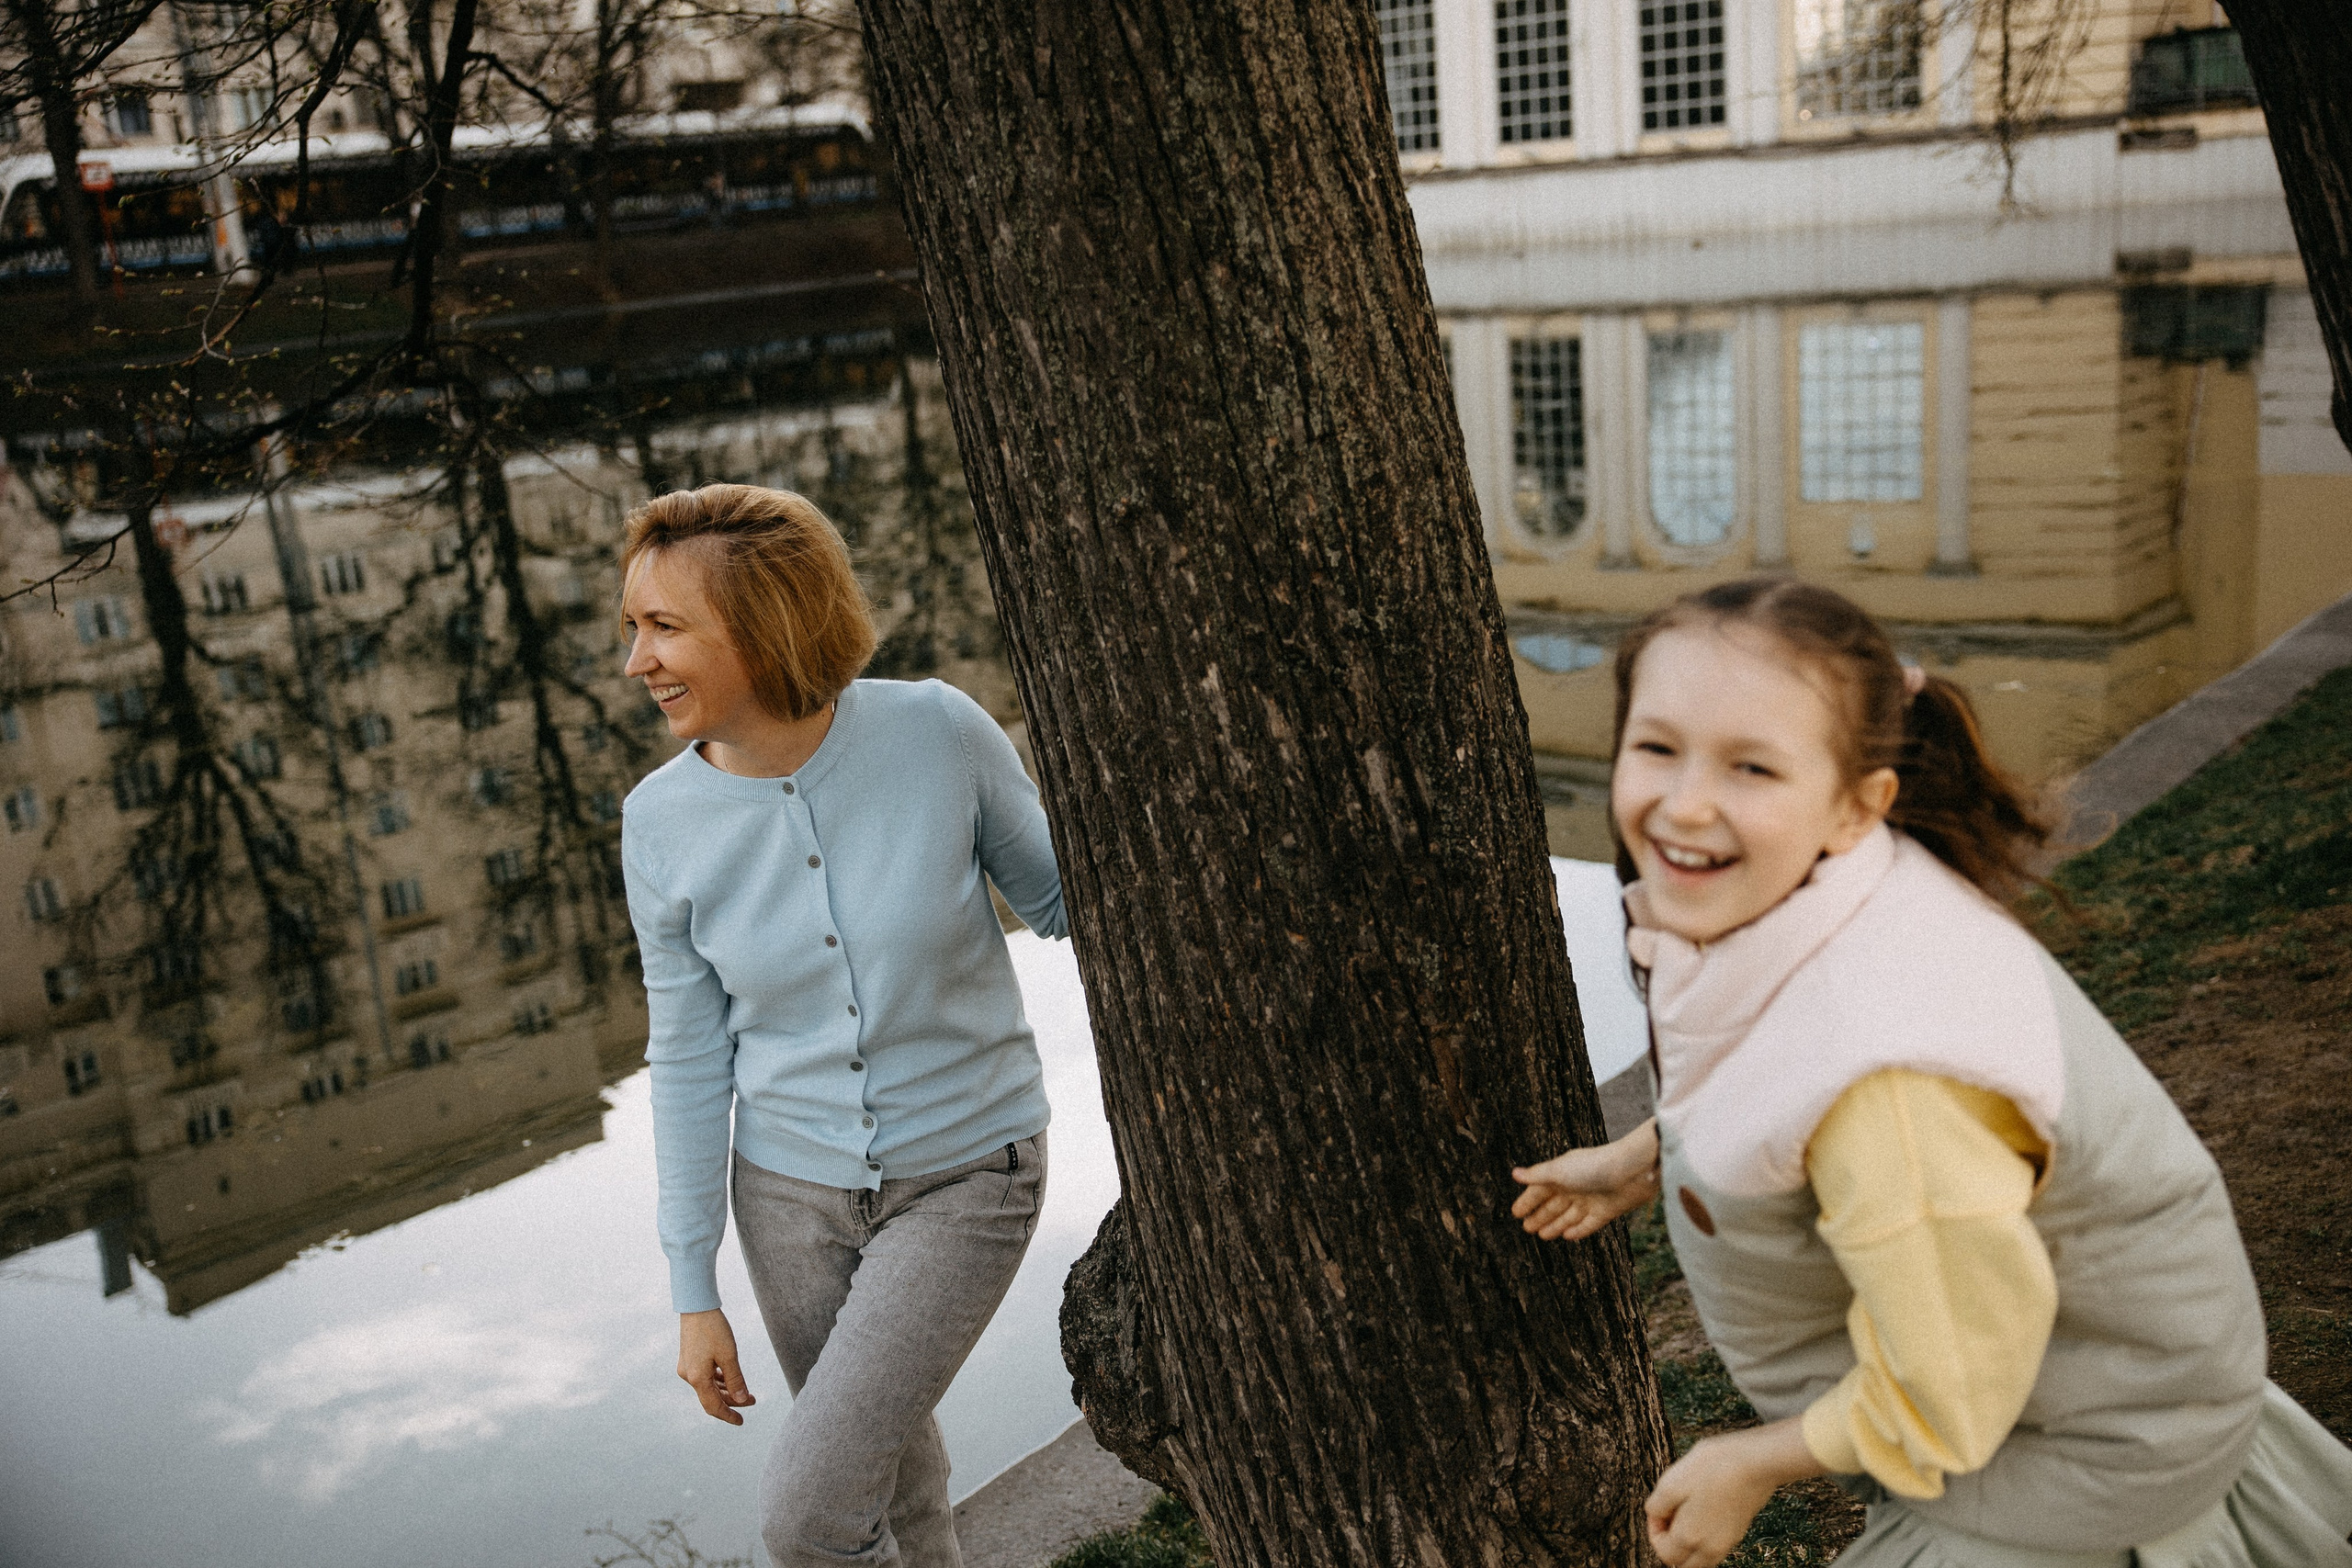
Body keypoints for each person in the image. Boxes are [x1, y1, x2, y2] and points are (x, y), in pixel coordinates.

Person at [1509, 578, 2352, 1568]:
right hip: (2074, 1391)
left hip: (2064, 1468)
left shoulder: (1898, 1093)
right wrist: (1645, 1157)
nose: (1684, 803)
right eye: (1656, 747)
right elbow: (1775, 1063)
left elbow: (1954, 1380)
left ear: (1856, 804)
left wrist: (1750, 1462)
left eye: (1751, 766)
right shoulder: (1833, 892)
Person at [617, 484, 1067, 1568]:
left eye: (665, 627)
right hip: (787, 1200)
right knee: (895, 1489)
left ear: (767, 626)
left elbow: (1069, 902)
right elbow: (686, 1057)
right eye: (632, 626)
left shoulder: (937, 732)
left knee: (811, 1519)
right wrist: (694, 1292)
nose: (636, 661)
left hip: (971, 1174)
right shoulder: (658, 820)